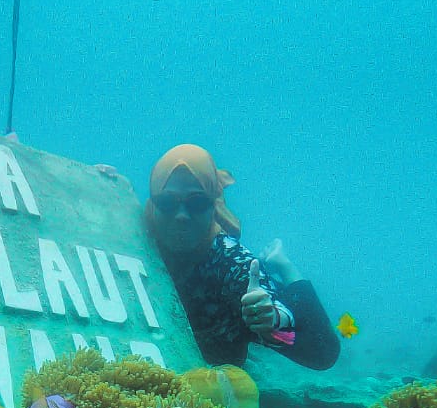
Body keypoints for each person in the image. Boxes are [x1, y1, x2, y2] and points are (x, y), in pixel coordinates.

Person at [144, 144, 339, 370]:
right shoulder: (132, 231)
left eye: (197, 203)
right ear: (153, 202)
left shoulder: (231, 260)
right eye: (167, 202)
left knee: (317, 349)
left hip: (223, 339)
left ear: (214, 205)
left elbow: (323, 353)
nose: (181, 216)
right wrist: (97, 190)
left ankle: (283, 266)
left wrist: (272, 318)